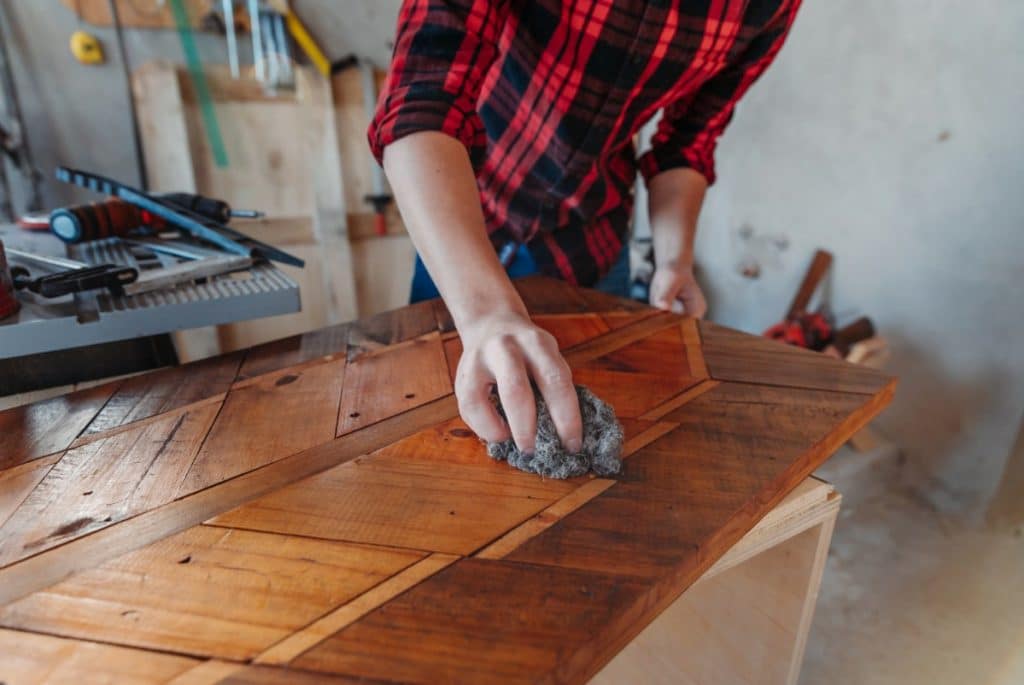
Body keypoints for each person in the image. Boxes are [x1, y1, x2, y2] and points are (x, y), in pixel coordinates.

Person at [369, 0, 801, 458]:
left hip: (591, 239)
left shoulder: (769, 7)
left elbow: (687, 144)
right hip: (459, 219)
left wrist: (674, 260)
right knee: (436, 436)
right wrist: (484, 311)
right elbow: (421, 100)